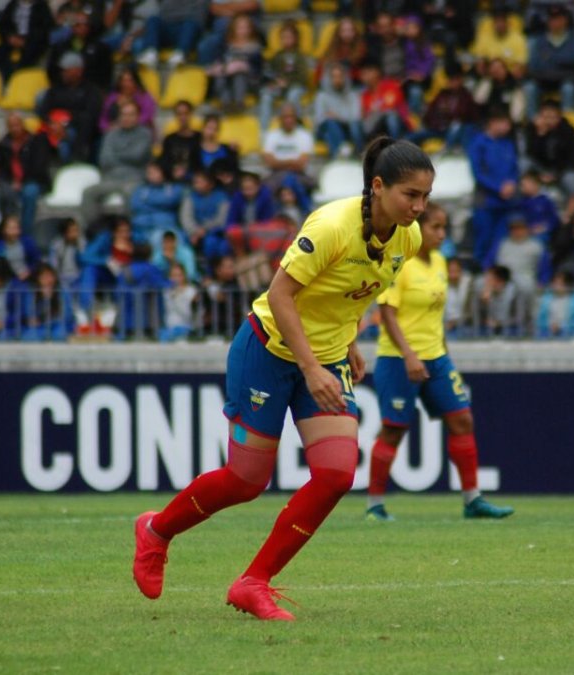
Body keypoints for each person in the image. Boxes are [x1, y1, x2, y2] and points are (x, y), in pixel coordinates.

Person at [132, 138, 435, 621]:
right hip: (268, 350)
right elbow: (280, 295)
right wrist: (311, 367)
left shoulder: (409, 237)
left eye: (425, 197)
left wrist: (348, 342)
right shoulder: (332, 225)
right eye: (409, 195)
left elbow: (354, 292)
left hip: (328, 356)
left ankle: (253, 583)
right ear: (377, 187)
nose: (418, 208)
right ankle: (156, 531)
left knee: (336, 474)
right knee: (246, 480)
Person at [366, 203, 514, 521]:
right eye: (435, 226)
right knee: (393, 429)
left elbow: (437, 315)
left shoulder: (439, 262)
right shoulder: (399, 263)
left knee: (462, 420)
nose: (442, 234)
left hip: (437, 358)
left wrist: (445, 355)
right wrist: (409, 355)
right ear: (417, 228)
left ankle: (472, 500)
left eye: (444, 227)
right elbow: (387, 314)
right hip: (398, 359)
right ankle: (374, 505)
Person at [81, 101, 155, 225]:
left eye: (131, 114)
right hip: (110, 179)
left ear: (137, 117)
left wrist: (116, 154)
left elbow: (137, 156)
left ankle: (127, 231)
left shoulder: (145, 134)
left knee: (130, 194)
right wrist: (127, 153)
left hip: (134, 180)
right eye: (124, 114)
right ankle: (93, 229)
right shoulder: (110, 134)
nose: (127, 118)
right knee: (88, 193)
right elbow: (104, 160)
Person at [468, 107, 521, 263]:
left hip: (505, 202)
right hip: (485, 201)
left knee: (501, 242)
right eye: (505, 123)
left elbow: (514, 168)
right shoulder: (479, 143)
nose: (508, 128)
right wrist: (498, 188)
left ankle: (495, 275)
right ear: (493, 122)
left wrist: (512, 183)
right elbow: (478, 173)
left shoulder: (508, 144)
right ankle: (479, 272)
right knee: (483, 239)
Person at [0, 111, 54, 233]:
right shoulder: (2, 145)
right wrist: (10, 182)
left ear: (23, 125)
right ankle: (6, 233)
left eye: (17, 124)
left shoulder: (37, 141)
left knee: (29, 193)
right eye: (11, 125)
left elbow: (39, 167)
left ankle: (26, 234)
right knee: (3, 192)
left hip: (34, 181)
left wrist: (21, 182)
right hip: (10, 182)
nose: (15, 128)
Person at [38, 52, 104, 162]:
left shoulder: (91, 90)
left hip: (79, 130)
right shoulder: (55, 89)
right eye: (63, 70)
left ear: (78, 71)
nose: (63, 73)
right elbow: (44, 110)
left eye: (66, 70)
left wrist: (65, 123)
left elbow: (91, 115)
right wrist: (53, 124)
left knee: (69, 137)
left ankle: (74, 162)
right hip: (54, 127)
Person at [524, 6, 574, 114]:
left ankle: (567, 121)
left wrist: (549, 58)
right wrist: (562, 61)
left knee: (568, 89)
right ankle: (533, 124)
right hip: (543, 79)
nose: (555, 22)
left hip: (567, 79)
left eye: (558, 18)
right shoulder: (539, 40)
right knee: (530, 88)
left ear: (565, 20)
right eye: (552, 19)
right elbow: (535, 65)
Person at [408, 62, 479, 152]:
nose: (452, 82)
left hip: (455, 131)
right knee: (412, 136)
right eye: (450, 79)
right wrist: (434, 121)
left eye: (455, 79)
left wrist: (448, 113)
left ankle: (445, 151)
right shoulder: (442, 94)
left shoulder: (466, 96)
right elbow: (429, 112)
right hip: (438, 128)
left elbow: (466, 117)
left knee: (456, 125)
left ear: (461, 79)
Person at [259, 20, 312, 131]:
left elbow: (303, 77)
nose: (286, 40)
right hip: (280, 87)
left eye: (289, 37)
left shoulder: (300, 56)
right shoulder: (277, 56)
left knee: (293, 94)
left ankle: (295, 125)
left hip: (296, 86)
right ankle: (264, 130)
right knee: (265, 95)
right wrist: (273, 83)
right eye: (283, 37)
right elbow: (269, 73)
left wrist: (287, 82)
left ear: (295, 38)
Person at [521, 100, 574, 194]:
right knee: (523, 163)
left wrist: (556, 174)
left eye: (552, 117)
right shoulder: (532, 129)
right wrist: (540, 135)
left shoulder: (569, 132)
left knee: (572, 178)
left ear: (559, 118)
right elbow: (530, 154)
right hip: (540, 168)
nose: (548, 121)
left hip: (561, 169)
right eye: (545, 117)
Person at [206, 14, 262, 113]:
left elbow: (257, 69)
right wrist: (224, 68)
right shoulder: (225, 46)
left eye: (246, 27)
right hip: (226, 76)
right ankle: (225, 103)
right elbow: (219, 62)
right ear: (233, 28)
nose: (243, 30)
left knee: (238, 75)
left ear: (251, 29)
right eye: (240, 27)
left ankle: (239, 103)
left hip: (248, 80)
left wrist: (241, 67)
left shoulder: (255, 47)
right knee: (220, 76)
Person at [261, 103, 315, 200]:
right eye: (285, 117)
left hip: (299, 175)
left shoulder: (305, 136)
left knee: (291, 180)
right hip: (276, 175)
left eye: (291, 117)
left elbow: (301, 165)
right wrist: (291, 162)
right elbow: (269, 163)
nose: (288, 120)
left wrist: (280, 163)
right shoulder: (271, 136)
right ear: (280, 119)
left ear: (296, 118)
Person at [46, 9, 113, 88]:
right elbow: (52, 71)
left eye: (85, 24)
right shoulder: (60, 47)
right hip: (64, 89)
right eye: (78, 24)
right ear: (72, 26)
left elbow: (106, 73)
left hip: (90, 91)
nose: (82, 27)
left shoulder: (100, 48)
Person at [0, 0, 55, 82]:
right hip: (14, 37)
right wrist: (10, 36)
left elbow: (45, 29)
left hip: (33, 40)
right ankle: (8, 78)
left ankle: (20, 77)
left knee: (30, 52)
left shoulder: (42, 7)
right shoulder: (12, 5)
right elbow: (2, 25)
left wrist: (27, 40)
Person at [314, 63, 365, 157]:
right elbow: (319, 120)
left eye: (340, 76)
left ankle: (339, 156)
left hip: (346, 129)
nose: (337, 80)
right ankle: (342, 155)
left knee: (330, 133)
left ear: (345, 78)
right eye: (334, 77)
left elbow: (355, 117)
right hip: (325, 128)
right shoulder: (322, 96)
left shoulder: (352, 95)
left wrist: (337, 117)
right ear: (329, 79)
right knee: (330, 124)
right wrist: (335, 118)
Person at [130, 162, 184, 240]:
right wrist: (160, 206)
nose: (150, 175)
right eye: (149, 172)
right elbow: (136, 205)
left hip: (164, 226)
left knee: (160, 237)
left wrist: (147, 202)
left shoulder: (173, 188)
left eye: (154, 172)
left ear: (163, 172)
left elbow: (170, 201)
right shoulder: (141, 189)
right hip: (141, 226)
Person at [360, 59, 410, 140]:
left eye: (366, 73)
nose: (364, 77)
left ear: (376, 72)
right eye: (362, 74)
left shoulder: (390, 85)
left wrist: (376, 111)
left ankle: (396, 147)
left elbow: (392, 107)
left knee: (391, 116)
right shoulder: (365, 95)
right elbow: (367, 120)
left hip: (400, 123)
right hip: (379, 129)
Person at [101, 64, 157, 134]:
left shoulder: (144, 97)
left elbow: (146, 116)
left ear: (136, 81)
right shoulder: (112, 97)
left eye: (129, 81)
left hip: (138, 132)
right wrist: (107, 127)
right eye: (123, 80)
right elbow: (103, 118)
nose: (126, 84)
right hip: (113, 133)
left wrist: (125, 124)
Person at [470, 10, 528, 77]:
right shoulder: (485, 38)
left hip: (511, 78)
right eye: (497, 22)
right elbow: (479, 61)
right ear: (493, 24)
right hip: (489, 76)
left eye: (502, 22)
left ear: (507, 23)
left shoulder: (519, 39)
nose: (499, 24)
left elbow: (521, 65)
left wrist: (504, 76)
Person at [472, 57, 527, 125]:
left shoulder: (514, 86)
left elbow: (517, 114)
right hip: (487, 121)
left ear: (505, 69)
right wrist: (489, 80)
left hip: (506, 123)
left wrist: (508, 124)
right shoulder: (488, 83)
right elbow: (478, 99)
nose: (497, 71)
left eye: (499, 68)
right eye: (494, 68)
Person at [158, 101, 203, 182]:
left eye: (186, 113)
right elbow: (164, 161)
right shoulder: (169, 139)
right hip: (172, 181)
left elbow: (203, 161)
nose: (183, 117)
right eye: (179, 114)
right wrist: (173, 171)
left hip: (195, 182)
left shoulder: (200, 138)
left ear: (191, 114)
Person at [536, 270, 574, 339]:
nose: (556, 286)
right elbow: (540, 320)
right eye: (555, 283)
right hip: (547, 334)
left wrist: (561, 327)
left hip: (571, 335)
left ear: (567, 285)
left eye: (560, 284)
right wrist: (549, 326)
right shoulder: (545, 300)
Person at [0, 215, 39, 282]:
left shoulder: (28, 242)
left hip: (28, 278)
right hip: (7, 280)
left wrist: (29, 271)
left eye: (17, 228)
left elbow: (36, 261)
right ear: (4, 230)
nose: (14, 232)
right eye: (11, 228)